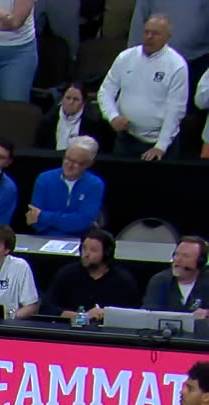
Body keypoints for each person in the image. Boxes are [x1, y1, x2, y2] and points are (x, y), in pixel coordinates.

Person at [99, 16, 189, 159]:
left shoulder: (176, 65)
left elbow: (176, 110)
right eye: (146, 32)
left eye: (155, 33)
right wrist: (112, 116)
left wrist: (161, 146)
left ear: (168, 37)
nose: (149, 37)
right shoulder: (126, 57)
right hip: (126, 138)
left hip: (159, 143)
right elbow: (106, 91)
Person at [45, 228, 140, 321]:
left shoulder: (122, 280)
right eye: (84, 248)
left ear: (107, 253)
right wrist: (82, 316)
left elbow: (133, 314)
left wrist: (109, 315)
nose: (86, 254)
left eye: (93, 250)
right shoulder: (68, 273)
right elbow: (48, 307)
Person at [26, 136, 104, 238]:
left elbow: (83, 221)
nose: (69, 165)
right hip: (44, 238)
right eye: (67, 159)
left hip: (80, 241)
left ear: (89, 164)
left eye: (77, 163)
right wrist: (67, 222)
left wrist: (43, 216)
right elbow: (34, 221)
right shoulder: (44, 179)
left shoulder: (95, 185)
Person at [143, 236, 209, 317]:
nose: (178, 260)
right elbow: (148, 315)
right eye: (176, 254)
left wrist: (207, 313)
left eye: (186, 256)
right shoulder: (160, 280)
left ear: (200, 261)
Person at [37, 82, 113, 151]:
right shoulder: (48, 120)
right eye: (68, 98)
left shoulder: (95, 122)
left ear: (83, 103)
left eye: (76, 99)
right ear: (62, 100)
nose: (71, 102)